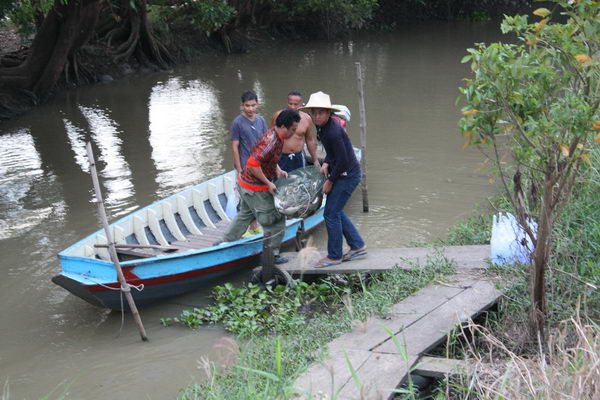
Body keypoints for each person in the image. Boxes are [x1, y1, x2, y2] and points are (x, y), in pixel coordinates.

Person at [218, 109, 302, 264]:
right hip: (254, 187)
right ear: (283, 126)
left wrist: (277, 169)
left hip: (245, 184)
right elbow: (252, 165)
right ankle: (272, 254)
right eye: (293, 129)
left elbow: (268, 159)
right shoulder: (270, 141)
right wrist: (268, 183)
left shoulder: (277, 136)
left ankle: (225, 242)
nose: (295, 133)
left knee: (245, 215)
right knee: (276, 220)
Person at [299, 91, 367, 268]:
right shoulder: (323, 128)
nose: (316, 116)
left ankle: (334, 255)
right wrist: (327, 163)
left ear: (329, 113)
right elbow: (333, 153)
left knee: (330, 213)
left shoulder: (333, 131)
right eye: (313, 112)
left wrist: (330, 181)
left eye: (321, 112)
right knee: (335, 211)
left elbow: (344, 159)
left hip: (348, 175)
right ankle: (358, 246)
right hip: (341, 171)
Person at [270, 91, 320, 173]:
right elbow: (270, 137)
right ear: (287, 102)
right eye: (290, 103)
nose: (292, 107)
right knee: (280, 182)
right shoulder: (277, 116)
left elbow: (309, 140)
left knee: (300, 181)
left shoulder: (307, 118)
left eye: (296, 104)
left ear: (301, 104)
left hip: (299, 157)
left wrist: (315, 160)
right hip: (281, 157)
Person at [231, 90, 268, 174]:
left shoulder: (261, 120)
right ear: (242, 105)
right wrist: (239, 169)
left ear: (257, 104)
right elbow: (234, 147)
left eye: (253, 105)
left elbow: (266, 142)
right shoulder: (237, 123)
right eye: (247, 106)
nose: (250, 109)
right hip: (246, 165)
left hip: (260, 163)